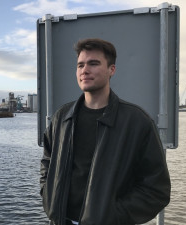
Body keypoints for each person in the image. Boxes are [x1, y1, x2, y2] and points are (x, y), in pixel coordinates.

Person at [40, 38, 171, 225]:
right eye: (80, 65)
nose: (85, 70)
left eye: (93, 64)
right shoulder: (62, 117)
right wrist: (48, 196)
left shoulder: (136, 122)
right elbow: (47, 160)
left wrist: (112, 216)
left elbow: (157, 189)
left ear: (112, 70)